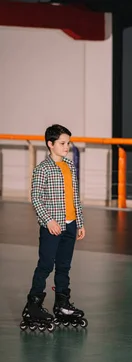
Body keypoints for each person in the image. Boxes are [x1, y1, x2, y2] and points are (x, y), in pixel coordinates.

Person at [20, 124, 87, 332]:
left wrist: (80, 222)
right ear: (50, 144)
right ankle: (33, 305)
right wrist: (49, 221)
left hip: (70, 225)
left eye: (68, 143)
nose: (67, 147)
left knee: (64, 266)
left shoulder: (69, 166)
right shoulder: (42, 169)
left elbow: (75, 197)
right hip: (52, 227)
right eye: (62, 143)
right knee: (46, 265)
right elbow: (36, 199)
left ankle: (61, 304)